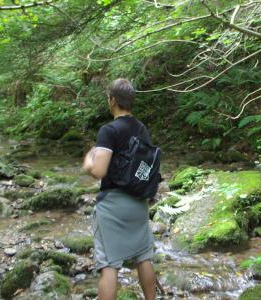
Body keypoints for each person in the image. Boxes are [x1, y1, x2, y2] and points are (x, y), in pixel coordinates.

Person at [82, 78, 156, 300]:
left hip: (113, 205)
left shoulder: (109, 130)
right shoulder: (142, 129)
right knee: (144, 257)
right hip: (139, 202)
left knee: (109, 265)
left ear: (112, 100)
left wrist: (88, 162)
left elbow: (99, 171)